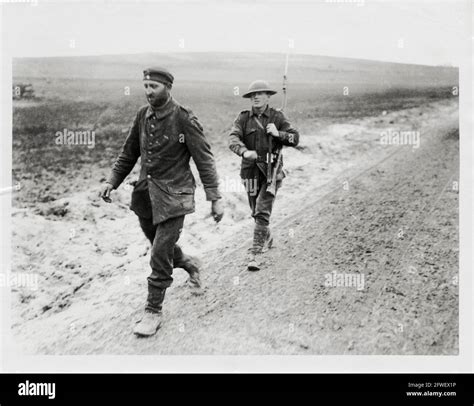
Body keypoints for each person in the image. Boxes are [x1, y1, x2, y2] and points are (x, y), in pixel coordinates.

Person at [100, 67, 224, 337]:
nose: (148, 92)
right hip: (146, 196)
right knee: (158, 245)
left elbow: (204, 159)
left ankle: (153, 311)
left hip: (175, 197)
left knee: (158, 252)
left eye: (153, 86)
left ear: (168, 87)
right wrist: (112, 181)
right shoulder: (142, 116)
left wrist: (215, 198)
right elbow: (128, 152)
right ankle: (190, 263)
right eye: (145, 86)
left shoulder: (184, 118)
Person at [228, 79, 299, 271]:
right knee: (255, 211)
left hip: (271, 172)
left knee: (262, 210)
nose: (256, 97)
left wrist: (279, 134)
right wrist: (244, 151)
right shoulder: (243, 118)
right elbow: (232, 138)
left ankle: (255, 255)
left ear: (268, 96)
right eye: (253, 95)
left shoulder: (278, 117)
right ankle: (266, 234)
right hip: (250, 172)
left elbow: (295, 138)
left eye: (260, 94)